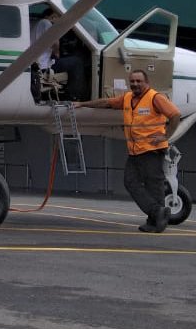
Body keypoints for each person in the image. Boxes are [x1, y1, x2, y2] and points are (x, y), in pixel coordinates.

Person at [73, 69, 180, 233]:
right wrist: (83, 104)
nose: (135, 84)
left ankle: (154, 221)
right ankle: (156, 212)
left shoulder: (155, 97)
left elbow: (175, 115)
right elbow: (106, 103)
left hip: (152, 149)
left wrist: (166, 136)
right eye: (133, 81)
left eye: (139, 81)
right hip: (135, 151)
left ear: (147, 82)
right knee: (130, 182)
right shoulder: (128, 98)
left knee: (154, 185)